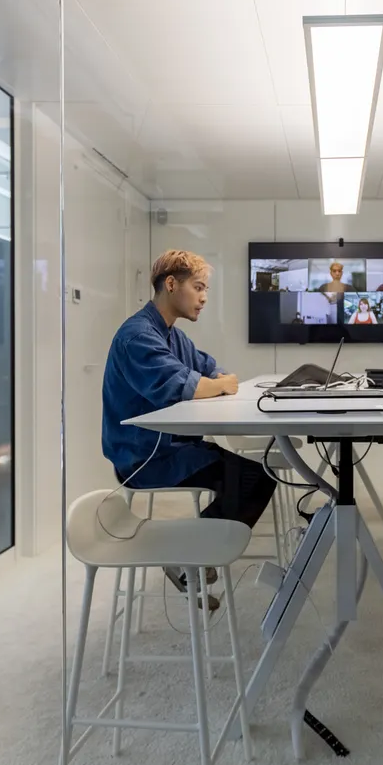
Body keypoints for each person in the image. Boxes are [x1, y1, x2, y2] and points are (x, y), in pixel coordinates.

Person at [102, 249, 277, 604]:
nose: (204, 298)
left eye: (207, 290)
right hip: (145, 459)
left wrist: (215, 382)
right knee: (253, 479)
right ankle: (190, 561)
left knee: (256, 477)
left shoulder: (172, 335)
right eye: (198, 288)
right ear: (171, 284)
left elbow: (214, 372)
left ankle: (193, 563)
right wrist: (213, 384)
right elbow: (190, 385)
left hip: (176, 449)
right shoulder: (138, 336)